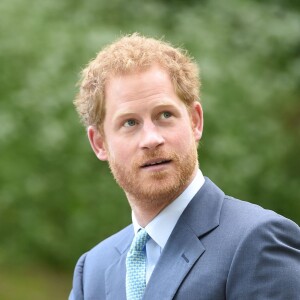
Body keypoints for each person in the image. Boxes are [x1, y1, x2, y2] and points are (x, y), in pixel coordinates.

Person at [69, 33, 300, 300]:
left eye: (165, 115)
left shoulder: (258, 242)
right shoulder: (93, 270)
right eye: (130, 123)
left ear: (195, 121)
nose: (152, 139)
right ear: (99, 143)